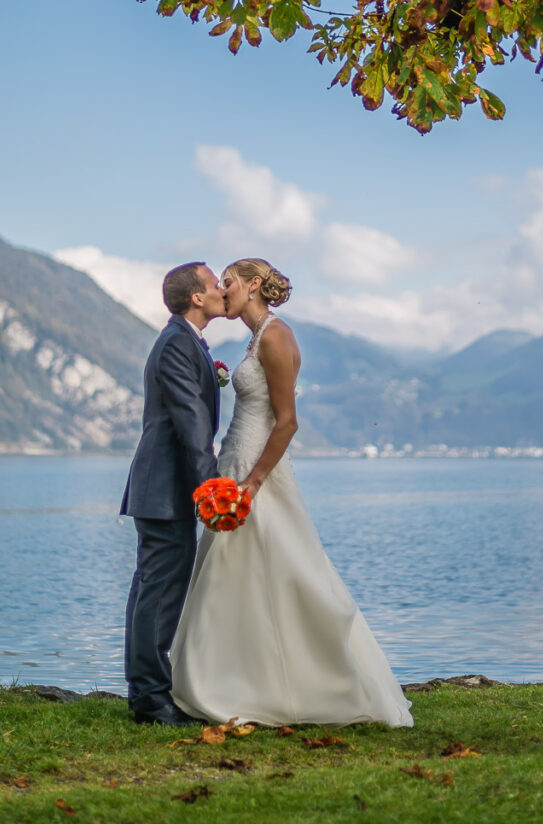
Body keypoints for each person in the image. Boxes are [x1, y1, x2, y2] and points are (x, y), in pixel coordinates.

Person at [170, 258, 413, 728]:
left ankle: (298, 681)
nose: (223, 292)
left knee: (281, 571)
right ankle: (233, 678)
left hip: (255, 472)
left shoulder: (277, 335)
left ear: (254, 285)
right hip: (234, 464)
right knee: (233, 577)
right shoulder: (254, 337)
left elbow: (287, 421)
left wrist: (254, 482)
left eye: (230, 284)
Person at [121, 261, 225, 725]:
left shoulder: (183, 340)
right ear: (197, 298)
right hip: (165, 487)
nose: (223, 289)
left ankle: (148, 691)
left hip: (161, 487)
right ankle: (151, 699)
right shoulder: (176, 344)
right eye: (215, 284)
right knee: (159, 592)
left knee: (151, 589)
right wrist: (212, 489)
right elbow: (191, 421)